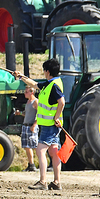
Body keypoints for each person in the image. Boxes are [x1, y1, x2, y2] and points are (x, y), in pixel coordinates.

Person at [13, 58, 65, 191]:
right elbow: (34, 84)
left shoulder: (53, 86)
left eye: (43, 70)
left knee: (40, 150)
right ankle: (57, 182)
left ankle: (43, 181)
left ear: (47, 71)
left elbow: (62, 102)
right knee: (54, 152)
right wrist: (21, 77)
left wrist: (56, 117)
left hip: (50, 125)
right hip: (51, 125)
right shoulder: (50, 84)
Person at [15, 86, 38, 172]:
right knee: (27, 147)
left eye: (26, 92)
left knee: (34, 146)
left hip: (31, 126)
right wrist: (19, 113)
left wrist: (34, 125)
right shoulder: (28, 102)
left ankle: (42, 164)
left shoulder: (35, 102)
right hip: (25, 126)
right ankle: (31, 165)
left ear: (32, 92)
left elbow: (39, 115)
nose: (25, 93)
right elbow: (27, 114)